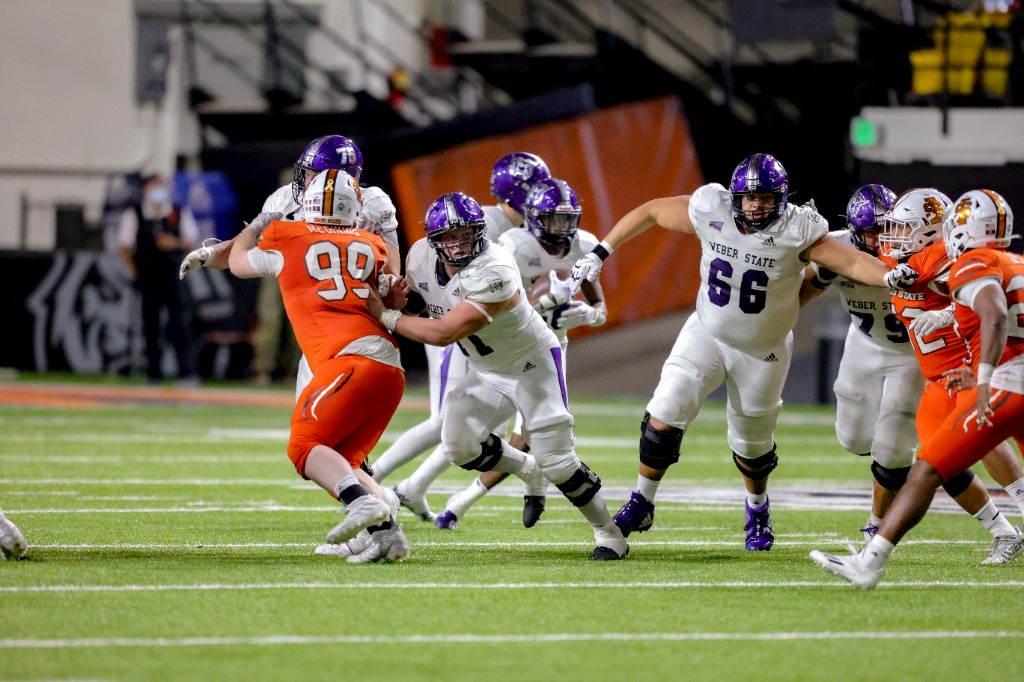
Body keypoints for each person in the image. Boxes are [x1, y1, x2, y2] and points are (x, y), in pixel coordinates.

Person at [563, 152, 916, 551]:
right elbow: (652, 212)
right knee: (664, 414)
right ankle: (642, 501)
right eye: (749, 197)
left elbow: (850, 261)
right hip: (707, 332)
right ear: (734, 197)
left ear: (782, 198)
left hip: (763, 349)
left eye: (766, 197)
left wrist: (888, 275)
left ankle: (757, 508)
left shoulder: (797, 229)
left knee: (751, 446)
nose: (757, 205)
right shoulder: (711, 208)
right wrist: (600, 252)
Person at [368, 191, 628, 560]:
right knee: (457, 444)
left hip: (531, 364)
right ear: (432, 240)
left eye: (464, 235)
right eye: (447, 238)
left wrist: (386, 315)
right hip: (486, 368)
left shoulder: (495, 268)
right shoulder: (421, 257)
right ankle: (527, 469)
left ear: (480, 232)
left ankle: (609, 534)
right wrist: (398, 300)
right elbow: (422, 304)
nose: (456, 246)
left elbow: (444, 333)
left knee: (559, 460)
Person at [810, 188, 1024, 588]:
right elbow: (847, 256)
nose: (890, 235)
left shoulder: (951, 259)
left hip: (969, 370)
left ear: (930, 232)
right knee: (933, 466)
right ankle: (1004, 533)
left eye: (902, 228)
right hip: (940, 377)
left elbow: (977, 299)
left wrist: (945, 316)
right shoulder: (904, 256)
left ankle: (870, 560)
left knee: (949, 456)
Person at [227, 169, 410, 563]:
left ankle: (361, 504)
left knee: (303, 447)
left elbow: (239, 262)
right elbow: (393, 295)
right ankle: (388, 535)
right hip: (389, 368)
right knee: (339, 459)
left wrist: (258, 223)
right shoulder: (371, 242)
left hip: (348, 359)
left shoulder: (287, 237)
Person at [369, 152, 552, 523]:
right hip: (458, 330)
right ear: (517, 192)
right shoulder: (484, 225)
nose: (544, 196)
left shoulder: (522, 229)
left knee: (477, 428)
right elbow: (438, 298)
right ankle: (376, 479)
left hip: (487, 333)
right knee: (449, 423)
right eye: (537, 187)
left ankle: (410, 487)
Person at [434, 177, 608, 529]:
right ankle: (453, 498)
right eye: (553, 220)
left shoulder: (585, 245)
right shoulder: (512, 245)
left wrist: (589, 314)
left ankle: (461, 501)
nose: (561, 230)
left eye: (566, 220)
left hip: (548, 347)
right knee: (463, 436)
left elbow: (600, 308)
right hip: (502, 344)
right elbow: (506, 302)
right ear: (532, 218)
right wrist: (545, 302)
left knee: (536, 441)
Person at [179, 134, 402, 396]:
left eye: (313, 175)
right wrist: (211, 252)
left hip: (353, 317)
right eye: (306, 173)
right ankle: (268, 369)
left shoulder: (373, 203)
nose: (305, 181)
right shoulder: (286, 198)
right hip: (311, 302)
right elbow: (245, 247)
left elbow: (392, 275)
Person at [119, 173, 201, 385]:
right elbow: (125, 247)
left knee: (180, 324)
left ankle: (187, 372)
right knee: (151, 326)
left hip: (174, 275)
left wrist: (172, 243)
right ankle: (153, 373)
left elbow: (190, 241)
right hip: (149, 278)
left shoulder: (177, 212)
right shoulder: (135, 214)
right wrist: (135, 271)